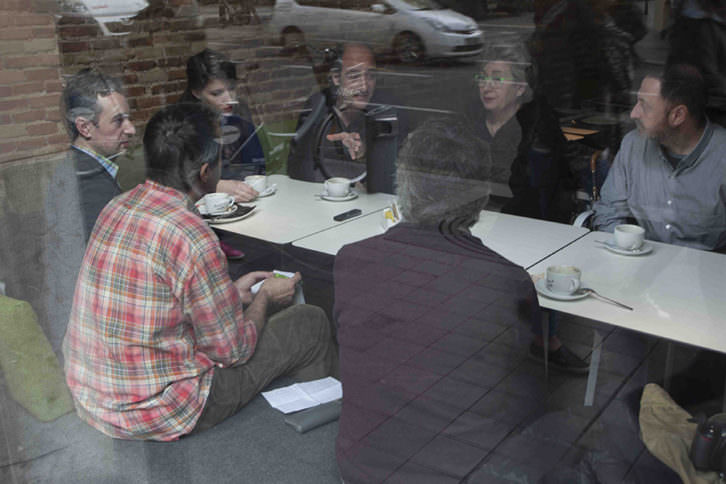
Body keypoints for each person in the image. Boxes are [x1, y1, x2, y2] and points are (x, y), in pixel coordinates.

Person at [63, 103, 337, 441]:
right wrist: (263, 299)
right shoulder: (192, 235)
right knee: (310, 321)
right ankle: (297, 444)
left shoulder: (116, 207)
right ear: (206, 172)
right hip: (157, 410)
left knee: (248, 311)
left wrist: (230, 295)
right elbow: (231, 351)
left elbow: (155, 302)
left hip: (93, 395)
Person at [334, 118, 543, 481]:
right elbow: (526, 378)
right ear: (480, 198)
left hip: (361, 470)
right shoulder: (504, 281)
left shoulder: (351, 259)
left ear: (405, 188)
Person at [592, 63, 726, 252]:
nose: (633, 113)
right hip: (642, 264)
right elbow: (609, 211)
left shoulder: (722, 157)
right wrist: (621, 253)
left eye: (644, 106)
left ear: (678, 115)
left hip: (706, 273)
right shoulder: (634, 145)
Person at [468, 43, 575, 223]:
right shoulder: (471, 124)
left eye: (497, 79)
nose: (486, 87)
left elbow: (537, 198)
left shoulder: (537, 133)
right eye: (482, 77)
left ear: (520, 88)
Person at [180, 48, 267, 259]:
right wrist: (215, 185)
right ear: (196, 92)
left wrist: (249, 182)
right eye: (217, 93)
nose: (229, 98)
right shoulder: (181, 123)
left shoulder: (239, 112)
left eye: (232, 89)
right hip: (207, 228)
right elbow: (175, 183)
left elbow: (257, 162)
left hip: (249, 209)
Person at [287, 43, 404, 193]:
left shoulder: (386, 110)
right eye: (354, 76)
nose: (364, 86)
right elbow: (299, 169)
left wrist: (365, 155)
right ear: (336, 78)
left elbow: (400, 171)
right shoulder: (318, 106)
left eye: (371, 76)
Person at [60, 68, 136, 240]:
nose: (131, 129)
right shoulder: (89, 186)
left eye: (128, 119)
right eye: (118, 120)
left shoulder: (79, 167)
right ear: (85, 127)